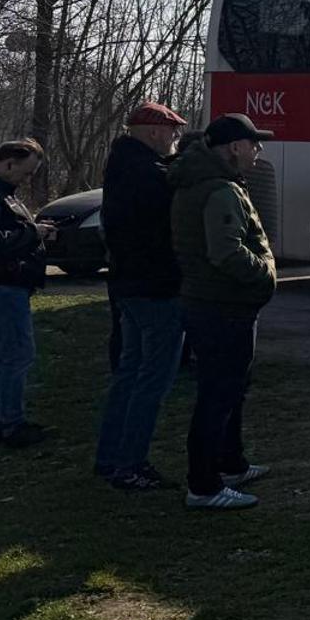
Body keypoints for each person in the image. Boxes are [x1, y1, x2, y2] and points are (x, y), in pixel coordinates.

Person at [170, 115, 277, 510]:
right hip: (221, 306)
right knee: (218, 393)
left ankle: (231, 462)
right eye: (253, 143)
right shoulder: (217, 190)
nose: (258, 151)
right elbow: (226, 251)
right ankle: (204, 484)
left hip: (215, 303)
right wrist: (265, 273)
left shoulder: (207, 182)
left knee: (231, 388)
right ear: (234, 147)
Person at [92, 103, 187, 486]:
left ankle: (109, 456)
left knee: (129, 373)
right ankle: (131, 464)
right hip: (155, 288)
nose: (175, 138)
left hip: (127, 286)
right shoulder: (149, 175)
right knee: (154, 377)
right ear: (153, 132)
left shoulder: (122, 166)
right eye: (172, 132)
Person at [0, 140, 52, 449]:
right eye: (26, 172)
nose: (27, 179)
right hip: (4, 287)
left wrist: (38, 232)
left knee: (7, 354)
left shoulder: (7, 195)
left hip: (13, 284)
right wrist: (33, 233)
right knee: (17, 354)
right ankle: (10, 422)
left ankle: (5, 417)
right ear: (8, 163)